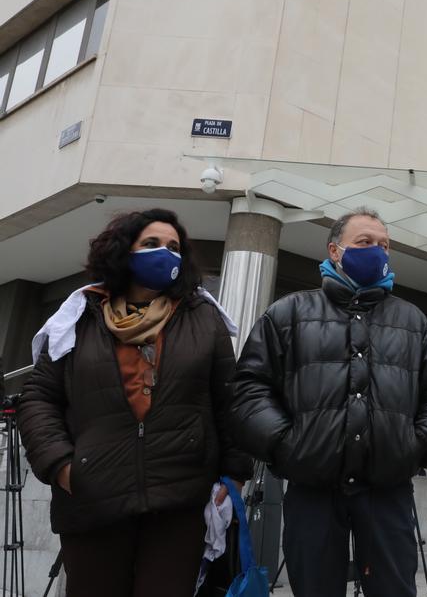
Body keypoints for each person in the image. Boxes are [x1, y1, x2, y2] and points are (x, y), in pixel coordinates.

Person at [17, 209, 252, 597]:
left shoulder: (203, 317)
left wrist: (237, 472)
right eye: (152, 244)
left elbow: (230, 399)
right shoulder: (78, 317)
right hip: (94, 500)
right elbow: (38, 398)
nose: (166, 253)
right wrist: (62, 467)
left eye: (174, 247)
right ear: (125, 251)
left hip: (178, 499)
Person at [231, 208, 427, 597]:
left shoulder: (413, 321)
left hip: (388, 488)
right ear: (335, 251)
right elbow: (250, 386)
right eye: (364, 242)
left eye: (383, 245)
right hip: (312, 487)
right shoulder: (288, 314)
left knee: (393, 588)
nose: (376, 251)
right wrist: (286, 444)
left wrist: (418, 446)